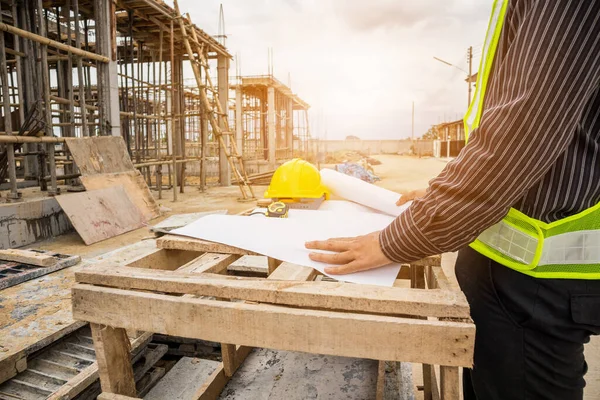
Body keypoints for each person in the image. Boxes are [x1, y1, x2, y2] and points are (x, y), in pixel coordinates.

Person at [305, 1, 600, 399]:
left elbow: (521, 130)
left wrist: (394, 240)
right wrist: (442, 188)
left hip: (530, 288)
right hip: (522, 285)